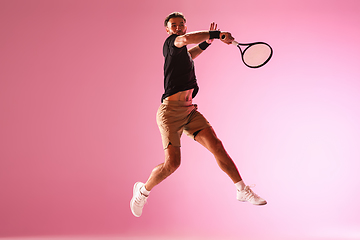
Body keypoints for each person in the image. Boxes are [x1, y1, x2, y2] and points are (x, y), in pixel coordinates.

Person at [130, 12, 266, 217]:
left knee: (217, 145)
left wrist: (208, 42)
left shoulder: (182, 53)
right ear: (167, 30)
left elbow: (190, 54)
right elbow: (185, 40)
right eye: (173, 25)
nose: (178, 28)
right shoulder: (171, 43)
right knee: (172, 164)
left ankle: (241, 189)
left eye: (181, 24)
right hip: (170, 113)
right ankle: (142, 191)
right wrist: (217, 33)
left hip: (190, 111)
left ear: (185, 25)